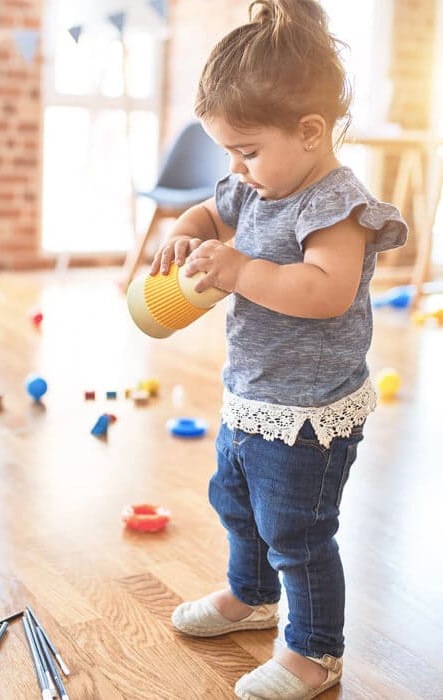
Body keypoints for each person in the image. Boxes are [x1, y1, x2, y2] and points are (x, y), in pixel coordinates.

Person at [149, 1, 408, 697]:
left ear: (312, 131)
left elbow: (324, 290)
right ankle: (251, 595)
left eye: (248, 150)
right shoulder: (257, 183)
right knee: (236, 502)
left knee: (297, 530)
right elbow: (213, 207)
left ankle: (315, 650)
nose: (236, 167)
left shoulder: (336, 205)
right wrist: (186, 225)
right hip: (254, 392)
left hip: (310, 413)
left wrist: (239, 271)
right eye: (228, 151)